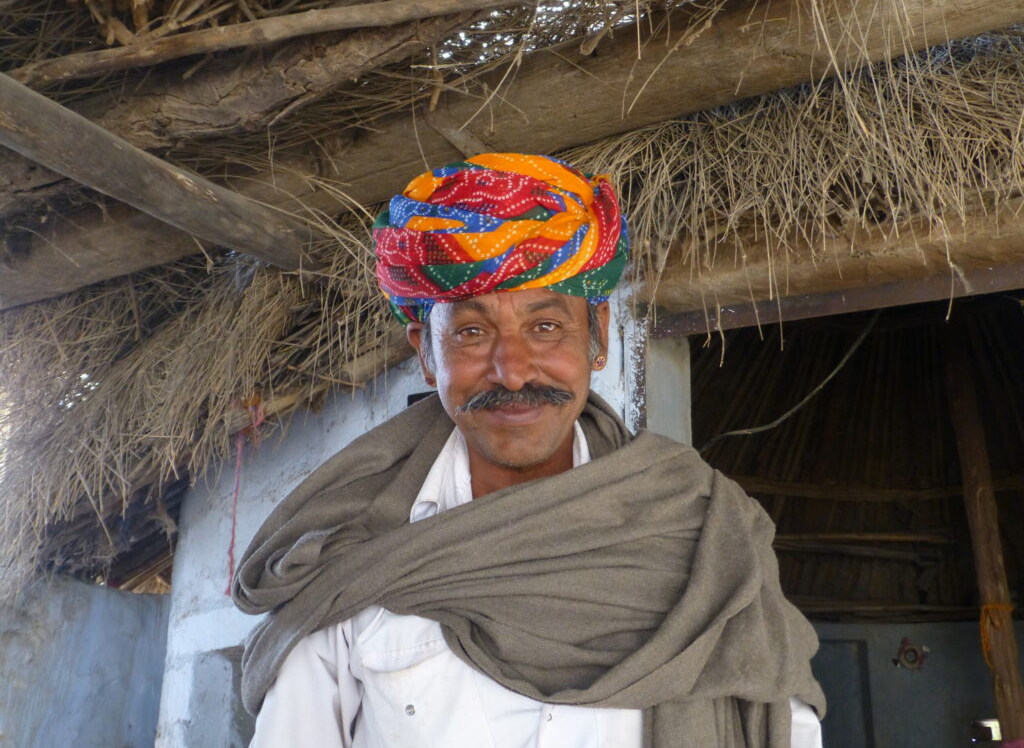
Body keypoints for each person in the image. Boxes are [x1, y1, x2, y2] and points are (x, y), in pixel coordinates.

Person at [233, 153, 825, 748]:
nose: (512, 372)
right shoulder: (344, 554)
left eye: (545, 328)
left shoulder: (704, 530)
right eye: (471, 332)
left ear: (598, 334)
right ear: (425, 353)